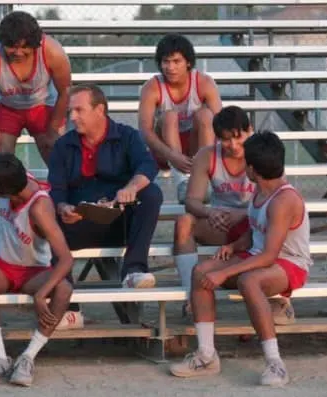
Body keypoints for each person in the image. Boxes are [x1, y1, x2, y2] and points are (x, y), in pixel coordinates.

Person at [169, 131, 313, 387]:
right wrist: (233, 246)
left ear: (253, 169)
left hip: (290, 263)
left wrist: (224, 273)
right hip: (258, 256)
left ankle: (275, 363)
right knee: (201, 272)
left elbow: (270, 254)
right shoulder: (260, 191)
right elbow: (254, 230)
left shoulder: (284, 199)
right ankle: (206, 355)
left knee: (249, 281)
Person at [48, 84, 163, 329]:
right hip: (79, 224)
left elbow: (148, 167)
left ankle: (133, 270)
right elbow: (56, 191)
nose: (72, 117)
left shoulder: (127, 135)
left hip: (118, 221)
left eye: (79, 110)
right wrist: (63, 208)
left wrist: (131, 187)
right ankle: (66, 308)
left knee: (151, 193)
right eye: (71, 111)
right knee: (45, 215)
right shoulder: (62, 146)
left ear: (100, 110)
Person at [175, 106, 295, 324]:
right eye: (226, 140)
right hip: (222, 224)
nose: (233, 146)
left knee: (274, 228)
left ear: (250, 130)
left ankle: (280, 298)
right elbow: (192, 201)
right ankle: (190, 296)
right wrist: (210, 212)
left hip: (255, 223)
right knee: (184, 223)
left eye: (238, 138)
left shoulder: (262, 153)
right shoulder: (207, 155)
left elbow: (278, 198)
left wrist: (241, 214)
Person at [0, 153, 74, 388]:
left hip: (33, 271)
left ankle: (28, 357)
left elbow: (66, 259)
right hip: (2, 263)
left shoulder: (39, 207)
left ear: (5, 192)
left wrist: (41, 294)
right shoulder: (15, 177)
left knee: (63, 289)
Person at [0, 10, 71, 164]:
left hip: (42, 104)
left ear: (35, 43)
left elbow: (65, 92)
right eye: (12, 47)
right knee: (0, 160)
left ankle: (61, 187)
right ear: (2, 42)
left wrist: (53, 130)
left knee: (56, 153)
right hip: (6, 106)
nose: (18, 53)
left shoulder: (52, 51)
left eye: (25, 47)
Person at [138, 33, 222, 202]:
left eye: (176, 61)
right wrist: (171, 154)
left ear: (188, 62)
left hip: (196, 146)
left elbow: (221, 124)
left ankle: (204, 180)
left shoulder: (204, 82)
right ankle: (183, 183)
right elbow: (145, 131)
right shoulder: (152, 86)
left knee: (206, 115)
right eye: (166, 62)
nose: (170, 67)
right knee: (169, 117)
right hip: (165, 150)